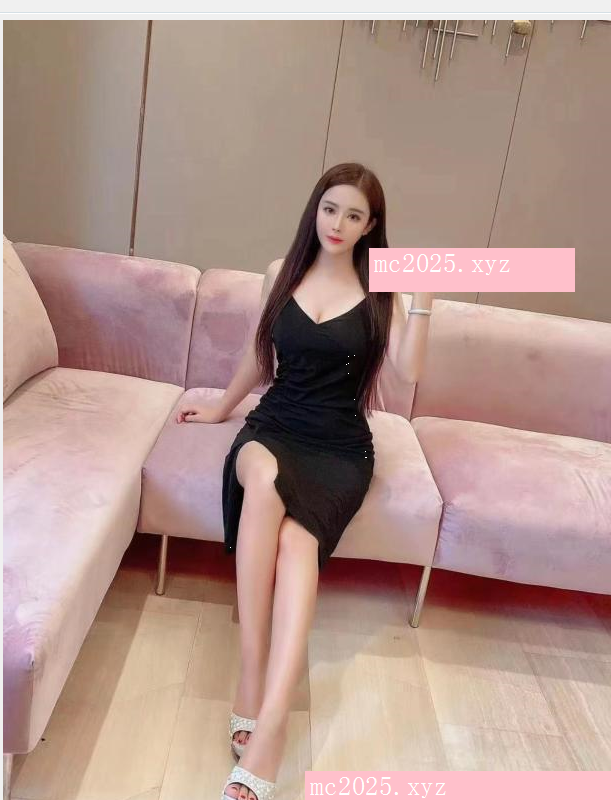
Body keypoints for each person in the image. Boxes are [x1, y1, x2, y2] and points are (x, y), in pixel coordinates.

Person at [176, 162, 434, 800]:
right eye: (330, 208)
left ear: (371, 226)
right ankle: (251, 673)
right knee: (263, 482)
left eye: (354, 215)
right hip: (273, 426)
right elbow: (256, 354)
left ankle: (272, 723)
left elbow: (407, 372)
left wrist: (424, 296)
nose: (338, 224)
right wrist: (221, 406)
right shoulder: (282, 272)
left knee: (297, 543)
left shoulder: (383, 289)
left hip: (340, 447)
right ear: (315, 209)